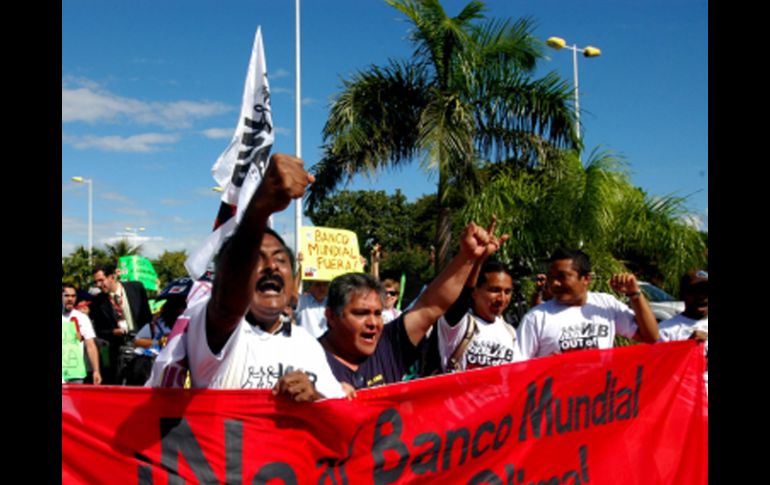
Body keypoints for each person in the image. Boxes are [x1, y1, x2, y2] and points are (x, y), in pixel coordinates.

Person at [154, 153, 345, 401]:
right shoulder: (213, 331)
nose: (271, 267)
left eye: (280, 259)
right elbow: (227, 305)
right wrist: (260, 208)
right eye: (256, 259)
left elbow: (336, 417)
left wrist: (314, 398)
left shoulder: (307, 345)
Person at [319, 221, 503, 389]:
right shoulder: (306, 361)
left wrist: (467, 257)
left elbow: (432, 305)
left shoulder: (389, 345)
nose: (373, 323)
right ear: (331, 316)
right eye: (360, 313)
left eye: (377, 313)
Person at [517, 248, 659, 360]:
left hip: (600, 395)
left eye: (562, 276)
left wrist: (634, 294)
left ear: (586, 278)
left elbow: (650, 336)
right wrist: (547, 365)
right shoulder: (536, 318)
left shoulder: (605, 305)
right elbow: (517, 369)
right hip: (557, 396)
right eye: (551, 277)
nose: (554, 283)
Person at [89, 263, 153, 383]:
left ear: (112, 277)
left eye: (101, 280)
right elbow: (99, 331)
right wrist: (113, 332)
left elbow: (147, 317)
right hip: (118, 354)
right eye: (96, 282)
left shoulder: (136, 288)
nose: (98, 285)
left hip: (141, 349)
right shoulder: (98, 301)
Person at [658, 270, 708, 384]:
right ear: (683, 294)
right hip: (687, 398)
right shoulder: (664, 330)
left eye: (706, 291)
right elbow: (658, 372)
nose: (701, 296)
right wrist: (686, 348)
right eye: (695, 291)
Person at [62, 283, 102, 385]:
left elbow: (91, 345)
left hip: (75, 373)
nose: (70, 299)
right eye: (66, 296)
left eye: (73, 296)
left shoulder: (82, 318)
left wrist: (96, 371)